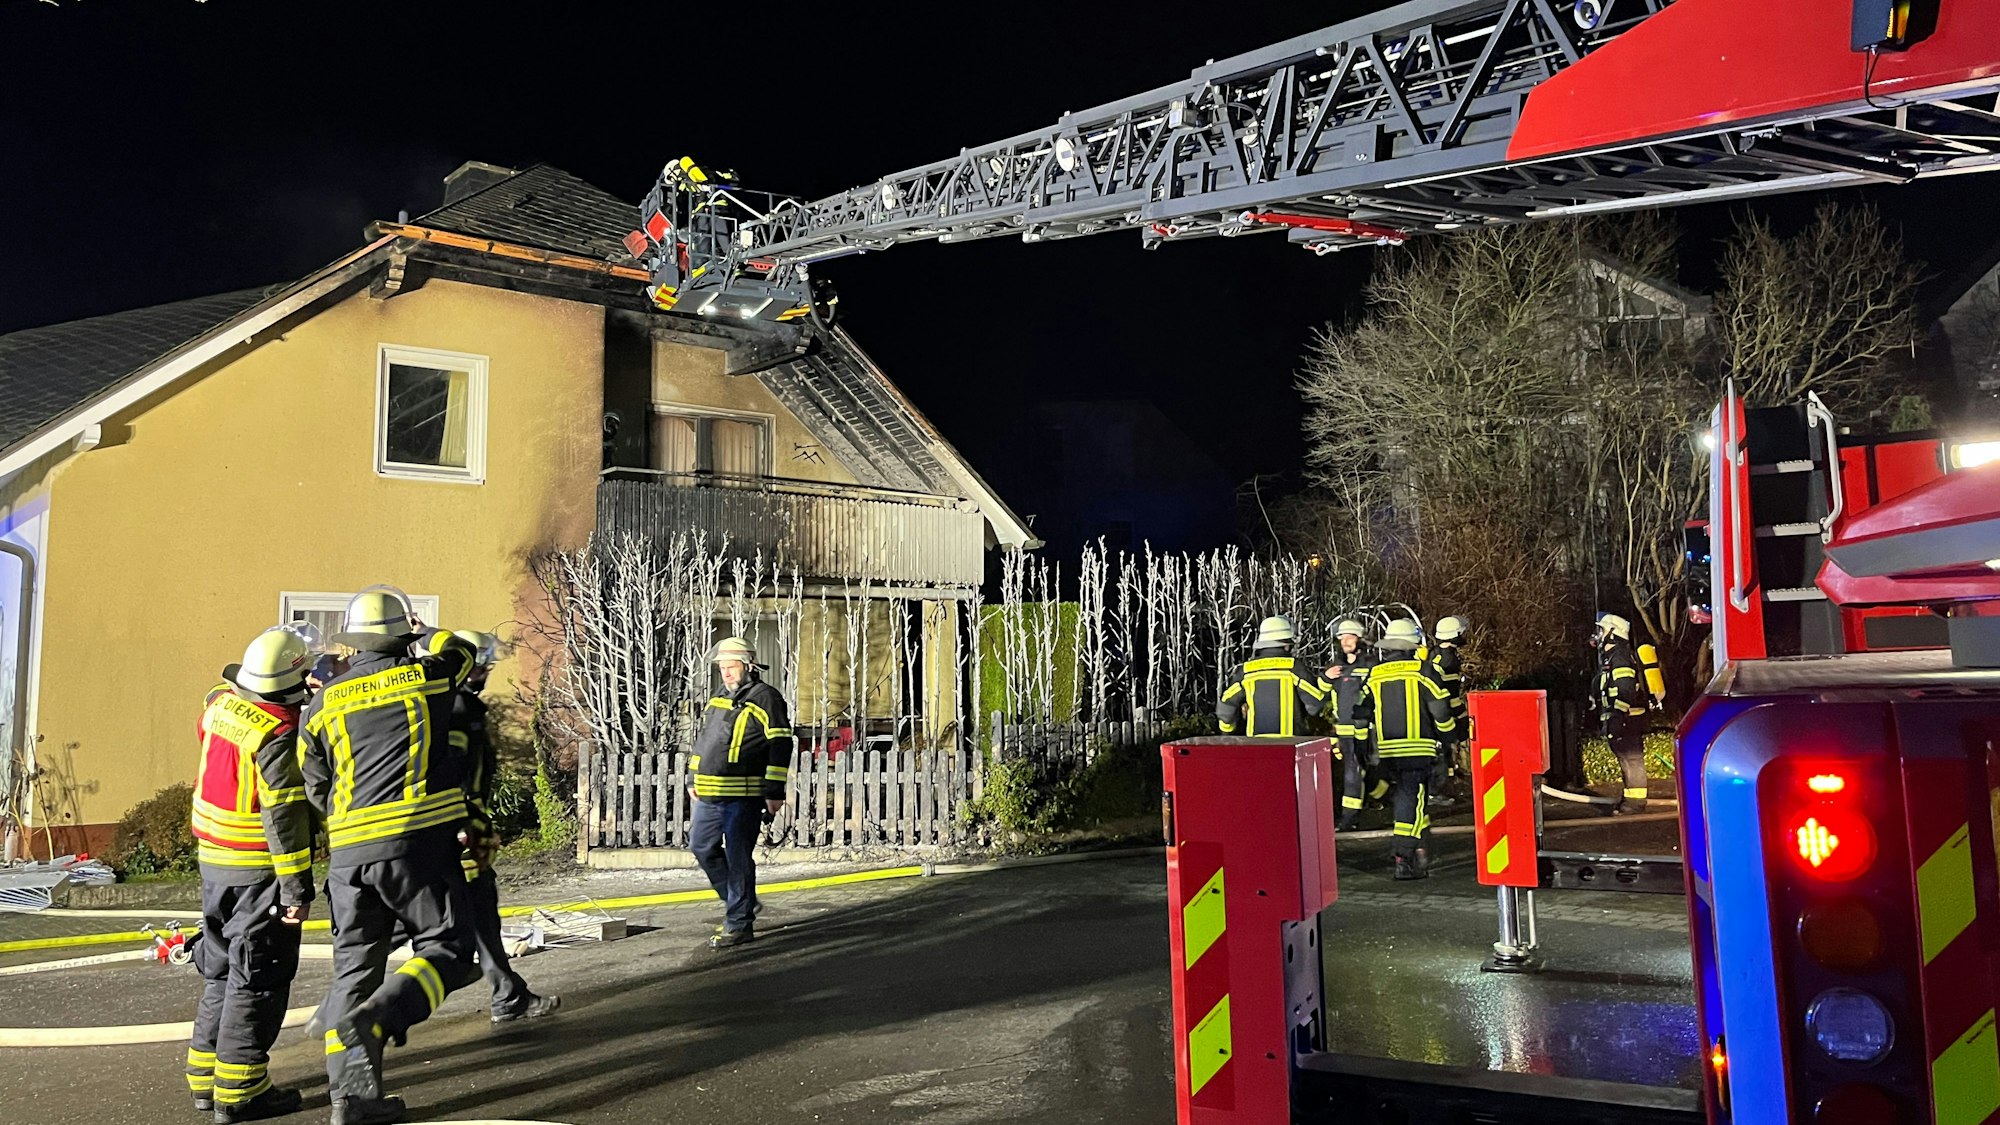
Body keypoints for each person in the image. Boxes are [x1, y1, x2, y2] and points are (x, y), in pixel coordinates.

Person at [300, 590, 479, 1125]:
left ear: (355, 643)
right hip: (416, 844)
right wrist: (426, 631)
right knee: (447, 947)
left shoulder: (323, 703)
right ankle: (383, 1015)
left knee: (352, 977)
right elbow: (462, 648)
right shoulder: (429, 675)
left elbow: (314, 784)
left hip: (349, 857)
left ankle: (351, 1103)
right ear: (404, 633)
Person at [186, 627, 316, 1122]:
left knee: (220, 969)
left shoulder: (219, 707)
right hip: (257, 871)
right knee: (257, 977)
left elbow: (218, 690)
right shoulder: (277, 735)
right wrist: (295, 889)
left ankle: (204, 1080)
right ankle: (241, 1091)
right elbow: (284, 818)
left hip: (212, 863)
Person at [448, 629, 559, 1023]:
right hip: (456, 834)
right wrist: (464, 824)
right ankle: (373, 1010)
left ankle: (507, 995)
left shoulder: (458, 705)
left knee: (481, 914)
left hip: (463, 830)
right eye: (482, 664)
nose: (487, 671)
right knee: (454, 928)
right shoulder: (456, 709)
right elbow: (450, 774)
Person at [691, 637, 795, 949]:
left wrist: (774, 790)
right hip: (709, 793)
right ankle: (742, 901)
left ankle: (738, 923)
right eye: (722, 668)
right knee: (701, 847)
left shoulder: (766, 698)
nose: (725, 673)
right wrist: (693, 777)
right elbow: (705, 740)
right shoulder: (719, 698)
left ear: (748, 666)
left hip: (743, 795)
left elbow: (781, 743)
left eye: (731, 667)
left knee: (738, 858)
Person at [1356, 619, 1457, 880]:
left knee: (1410, 802)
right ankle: (1403, 857)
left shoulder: (1375, 674)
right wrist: (1449, 737)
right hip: (1418, 751)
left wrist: (1361, 748)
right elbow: (1441, 710)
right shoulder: (1423, 672)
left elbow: (1360, 712)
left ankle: (1422, 852)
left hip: (1387, 752)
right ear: (1413, 645)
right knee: (1411, 802)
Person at [1216, 616, 1328, 737]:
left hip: (1256, 746)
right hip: (1289, 746)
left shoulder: (1246, 671)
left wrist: (1228, 730)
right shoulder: (1293, 668)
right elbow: (1315, 704)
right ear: (1286, 644)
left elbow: (1226, 706)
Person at [1592, 612, 1652, 815]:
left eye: (1601, 630)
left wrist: (1618, 712)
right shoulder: (1611, 657)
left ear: (1612, 632)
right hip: (1622, 716)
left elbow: (1625, 687)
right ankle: (1629, 799)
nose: (1598, 635)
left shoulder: (1620, 656)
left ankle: (1635, 804)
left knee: (1632, 760)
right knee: (1626, 759)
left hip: (1629, 717)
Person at [1321, 619, 1376, 830]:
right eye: (1342, 637)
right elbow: (1318, 696)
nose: (1346, 641)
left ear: (1360, 639)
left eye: (1350, 636)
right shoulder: (1335, 668)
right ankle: (1350, 816)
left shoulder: (1370, 665)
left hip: (1366, 730)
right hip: (1342, 732)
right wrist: (1325, 678)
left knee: (1356, 772)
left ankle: (1350, 818)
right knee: (1351, 773)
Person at [1426, 615, 1470, 807]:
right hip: (1442, 713)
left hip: (1430, 710)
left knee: (1439, 753)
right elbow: (1449, 694)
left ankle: (1440, 789)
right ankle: (1437, 791)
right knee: (1443, 753)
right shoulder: (1449, 660)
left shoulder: (1433, 653)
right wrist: (1461, 715)